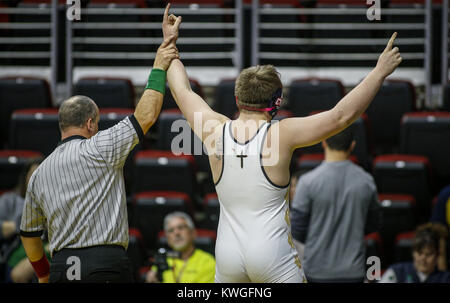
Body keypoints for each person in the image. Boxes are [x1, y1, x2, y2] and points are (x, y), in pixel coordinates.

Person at [164, 6, 401, 282]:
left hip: (227, 253)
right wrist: (379, 72)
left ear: (237, 98)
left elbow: (181, 90)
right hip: (270, 253)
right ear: (276, 102)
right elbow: (341, 116)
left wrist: (169, 42)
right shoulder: (281, 134)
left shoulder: (213, 130)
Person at [19, 5, 181, 283]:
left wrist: (45, 276)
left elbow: (29, 235)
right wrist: (159, 64)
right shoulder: (100, 147)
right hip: (103, 264)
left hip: (61, 267)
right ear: (91, 123)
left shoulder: (39, 173)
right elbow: (147, 115)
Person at [290, 126, 382, 283]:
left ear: (324, 142)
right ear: (352, 145)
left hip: (316, 271)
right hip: (353, 271)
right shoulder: (366, 181)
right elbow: (374, 224)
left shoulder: (308, 182)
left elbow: (297, 229)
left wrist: (318, 239)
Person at [145, 212, 215, 283]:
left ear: (193, 233)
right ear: (167, 239)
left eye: (181, 228)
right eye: (171, 230)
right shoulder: (163, 259)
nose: (176, 233)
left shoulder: (208, 262)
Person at [0, 161, 41, 283]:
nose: (36, 179)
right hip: (14, 254)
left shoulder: (56, 202)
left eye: (40, 175)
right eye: (32, 175)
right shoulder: (10, 200)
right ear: (25, 178)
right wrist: (21, 225)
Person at [379, 223, 450, 283]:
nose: (423, 258)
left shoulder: (446, 278)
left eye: (428, 254)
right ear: (413, 252)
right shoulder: (397, 272)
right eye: (419, 253)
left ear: (437, 256)